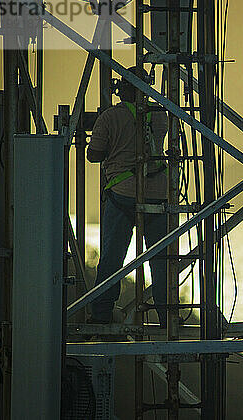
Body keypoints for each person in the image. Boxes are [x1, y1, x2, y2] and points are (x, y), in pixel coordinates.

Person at [86, 66, 169, 327]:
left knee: (112, 257)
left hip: (123, 194)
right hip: (158, 193)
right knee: (161, 260)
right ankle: (168, 315)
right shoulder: (162, 115)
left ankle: (101, 313)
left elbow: (93, 154)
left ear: (122, 89)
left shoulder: (111, 117)